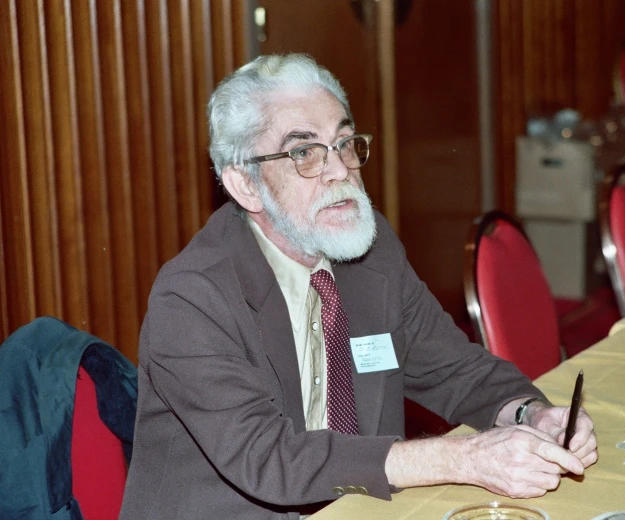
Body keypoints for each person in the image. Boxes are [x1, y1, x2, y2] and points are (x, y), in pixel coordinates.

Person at [119, 54, 598, 520]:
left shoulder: (369, 250)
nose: (340, 170)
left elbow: (454, 368)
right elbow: (268, 458)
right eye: (304, 152)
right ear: (245, 185)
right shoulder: (190, 297)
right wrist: (464, 458)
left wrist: (530, 415)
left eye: (344, 143)